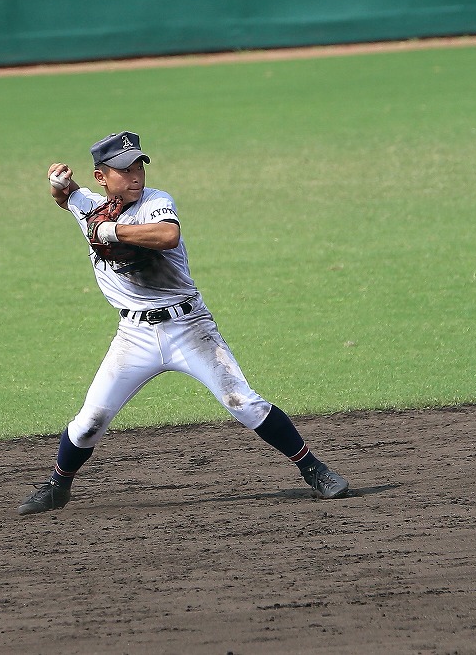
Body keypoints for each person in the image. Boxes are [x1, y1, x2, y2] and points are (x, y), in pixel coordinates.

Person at [17, 131, 348, 515]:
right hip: (134, 337)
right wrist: (59, 183)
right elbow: (67, 198)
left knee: (243, 402)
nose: (135, 174)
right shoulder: (90, 206)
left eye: (138, 165)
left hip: (189, 328)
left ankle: (315, 470)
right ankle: (58, 486)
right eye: (124, 169)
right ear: (102, 177)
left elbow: (168, 235)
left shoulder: (156, 201)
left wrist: (113, 231)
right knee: (91, 420)